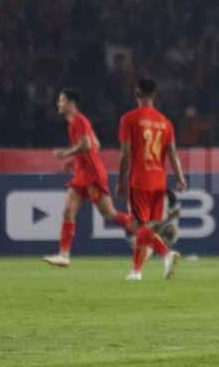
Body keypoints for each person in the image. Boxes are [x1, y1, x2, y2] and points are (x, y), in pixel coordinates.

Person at [42, 89, 134, 268]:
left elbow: (87, 145)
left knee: (109, 214)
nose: (58, 104)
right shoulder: (74, 124)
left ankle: (141, 231)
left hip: (93, 175)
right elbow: (96, 144)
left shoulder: (79, 121)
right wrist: (74, 162)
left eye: (61, 100)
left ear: (70, 103)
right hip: (82, 174)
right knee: (68, 211)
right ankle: (64, 255)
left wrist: (66, 154)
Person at [117, 78, 187, 282]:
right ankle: (137, 270)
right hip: (159, 181)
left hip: (139, 179)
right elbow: (173, 154)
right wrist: (181, 179)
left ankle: (163, 255)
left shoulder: (129, 119)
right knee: (147, 228)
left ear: (137, 94)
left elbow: (125, 155)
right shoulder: (165, 122)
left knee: (139, 227)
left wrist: (121, 181)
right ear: (154, 95)